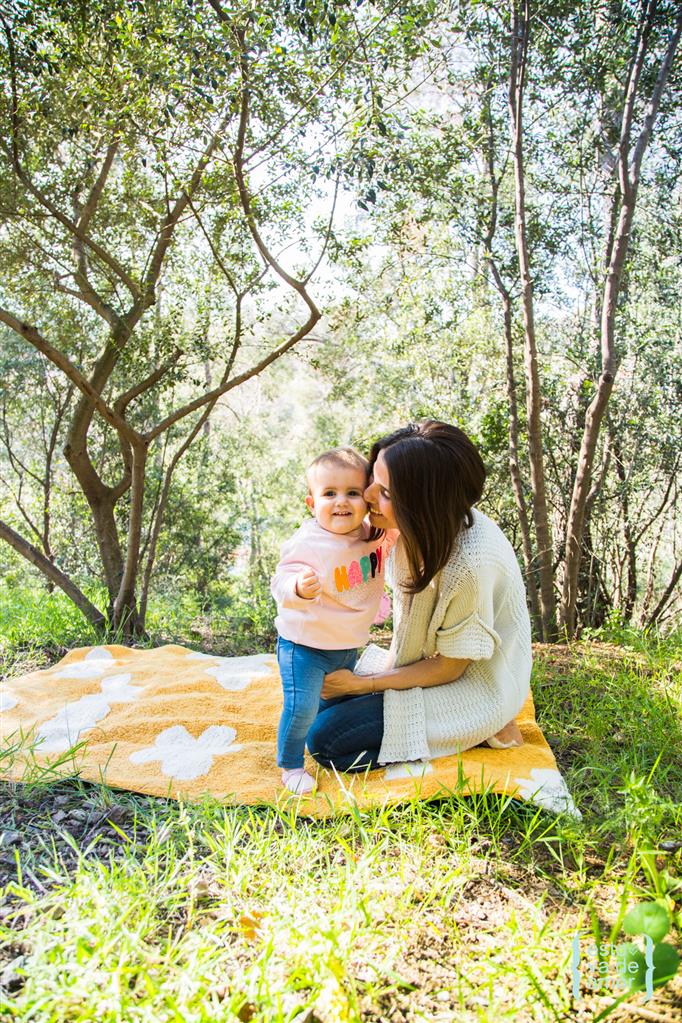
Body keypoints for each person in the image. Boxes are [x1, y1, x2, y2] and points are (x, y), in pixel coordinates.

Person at [307, 421, 532, 773]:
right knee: (315, 707)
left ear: (421, 503)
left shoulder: (469, 565)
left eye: (384, 492)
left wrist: (366, 684)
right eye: (372, 481)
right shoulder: (418, 529)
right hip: (433, 664)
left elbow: (451, 666)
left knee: (326, 743)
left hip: (474, 683)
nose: (366, 497)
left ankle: (485, 726)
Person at [271, 447, 397, 794]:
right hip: (304, 645)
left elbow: (397, 539)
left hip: (346, 643)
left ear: (368, 498)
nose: (341, 502)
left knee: (334, 701)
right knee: (302, 707)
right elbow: (279, 582)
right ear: (312, 503)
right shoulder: (309, 541)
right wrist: (298, 587)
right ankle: (291, 765)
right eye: (330, 494)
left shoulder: (373, 532)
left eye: (352, 493)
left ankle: (324, 726)